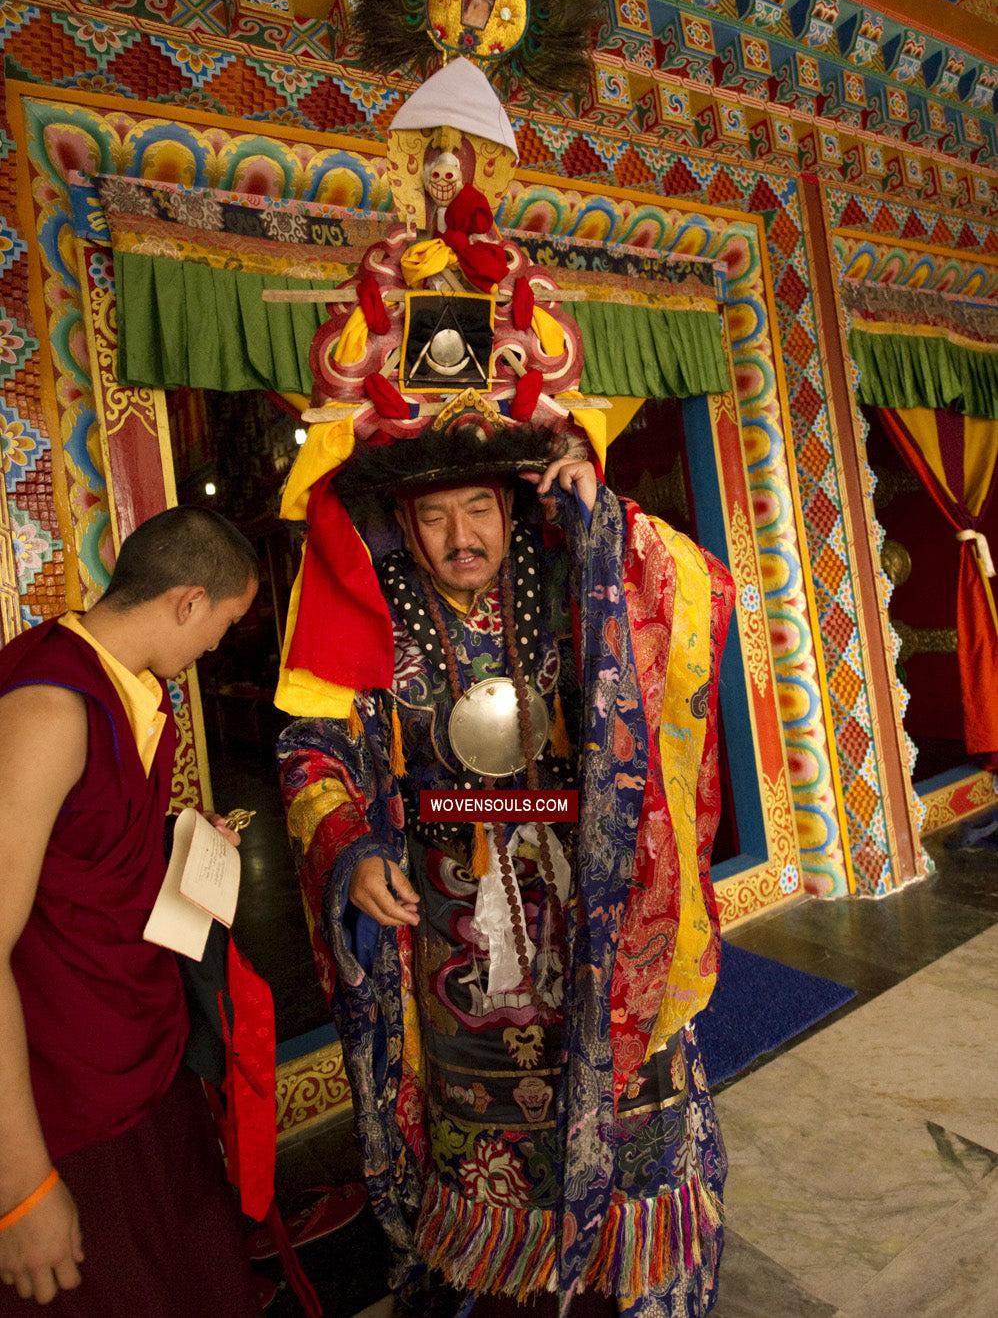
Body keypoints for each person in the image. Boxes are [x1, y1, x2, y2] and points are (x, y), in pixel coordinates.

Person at [277, 410, 734, 1318]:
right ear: (405, 524)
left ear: (508, 507)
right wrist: (350, 848)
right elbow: (311, 747)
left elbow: (699, 593)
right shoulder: (368, 609)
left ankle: (628, 1274)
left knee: (636, 1101)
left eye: (479, 509)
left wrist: (606, 518)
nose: (461, 538)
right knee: (484, 1138)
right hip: (454, 919)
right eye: (435, 516)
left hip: (596, 902)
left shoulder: (574, 573)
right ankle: (503, 1280)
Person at [0, 506, 262, 1314]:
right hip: (67, 1101)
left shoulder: (126, 690)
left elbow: (79, 849)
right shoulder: (50, 707)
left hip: (143, 1061)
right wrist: (21, 1186)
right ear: (188, 601)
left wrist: (175, 842)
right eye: (225, 623)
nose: (216, 647)